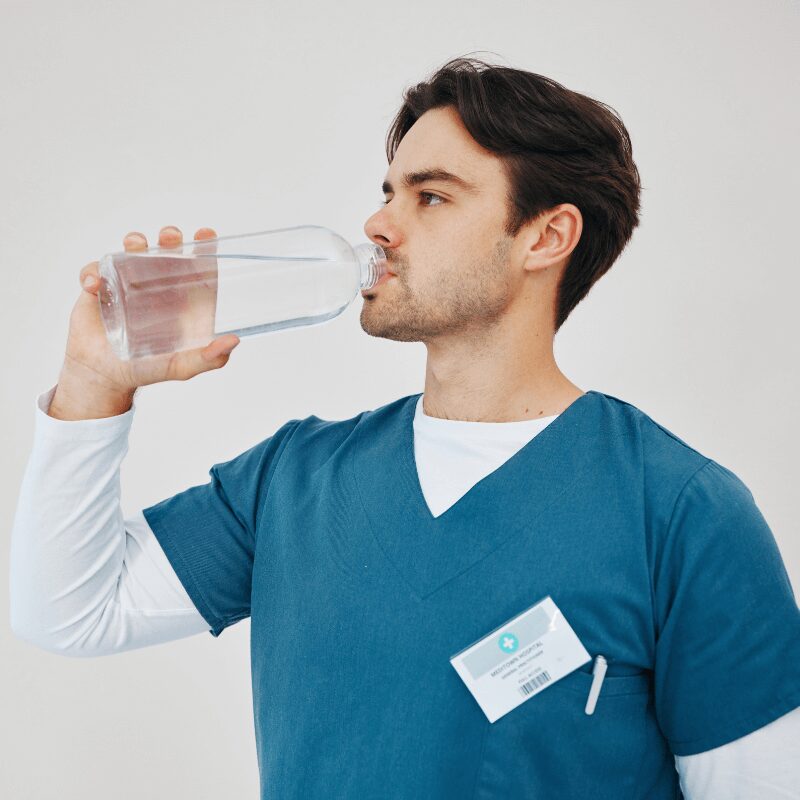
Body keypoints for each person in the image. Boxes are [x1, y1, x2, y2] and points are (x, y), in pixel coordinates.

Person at [10, 56, 800, 800]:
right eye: (388, 192)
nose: (378, 225)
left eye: (430, 196)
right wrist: (93, 383)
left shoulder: (682, 514)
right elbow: (70, 612)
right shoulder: (293, 481)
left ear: (546, 237)